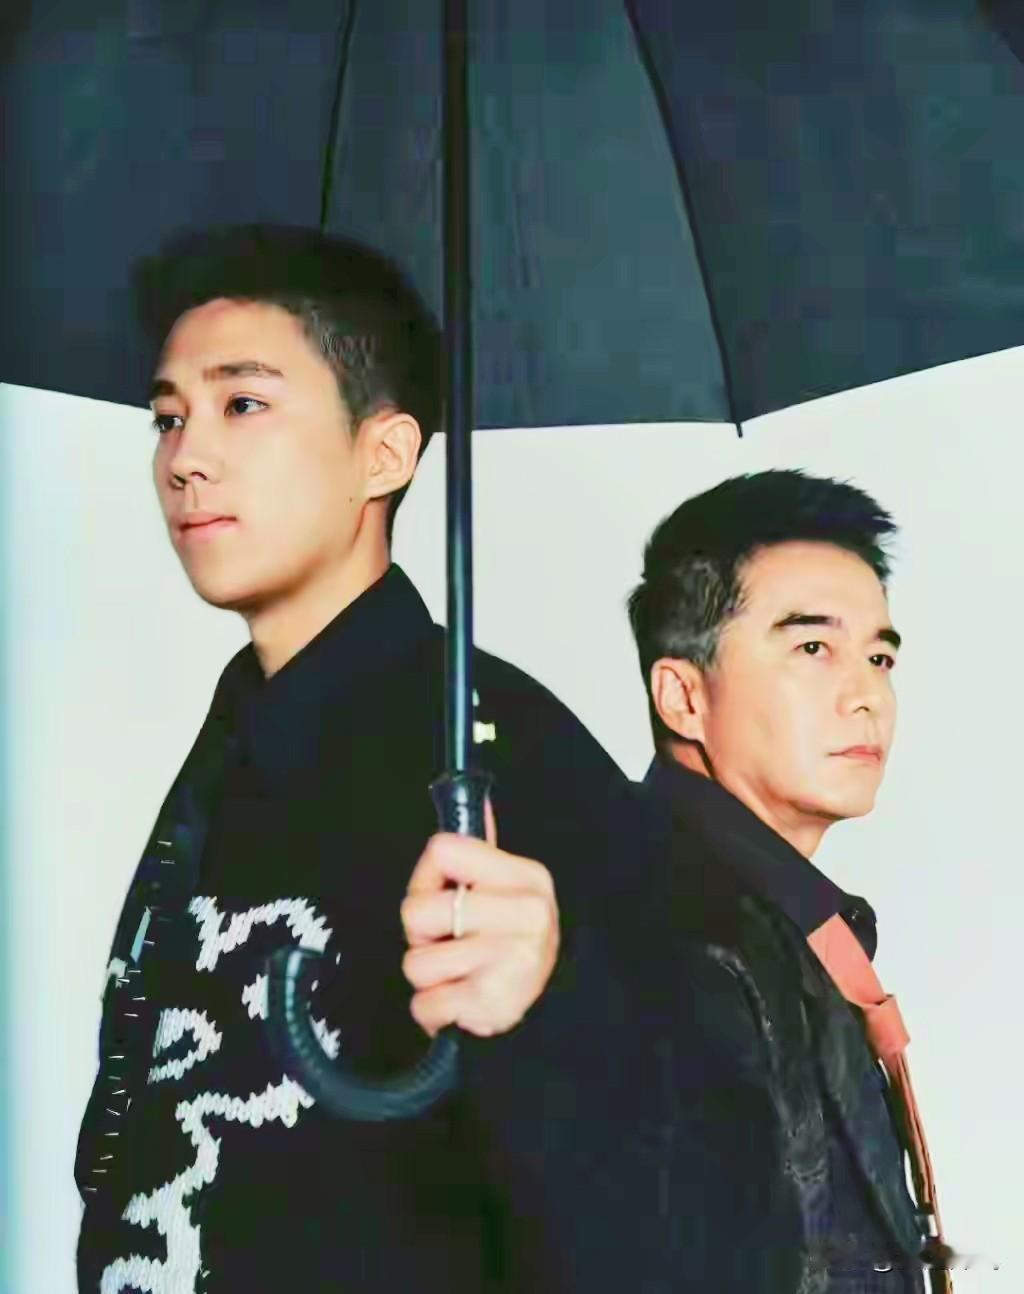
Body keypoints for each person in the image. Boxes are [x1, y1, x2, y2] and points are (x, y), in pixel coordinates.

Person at [74, 225, 625, 1294]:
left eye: (243, 403)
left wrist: (551, 1014)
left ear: (386, 454)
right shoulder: (232, 738)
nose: (185, 458)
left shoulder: (497, 748)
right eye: (168, 416)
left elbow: (657, 1174)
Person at [627, 469, 942, 1291]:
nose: (867, 695)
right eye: (813, 648)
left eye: (880, 656)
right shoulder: (670, 935)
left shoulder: (779, 917)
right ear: (683, 697)